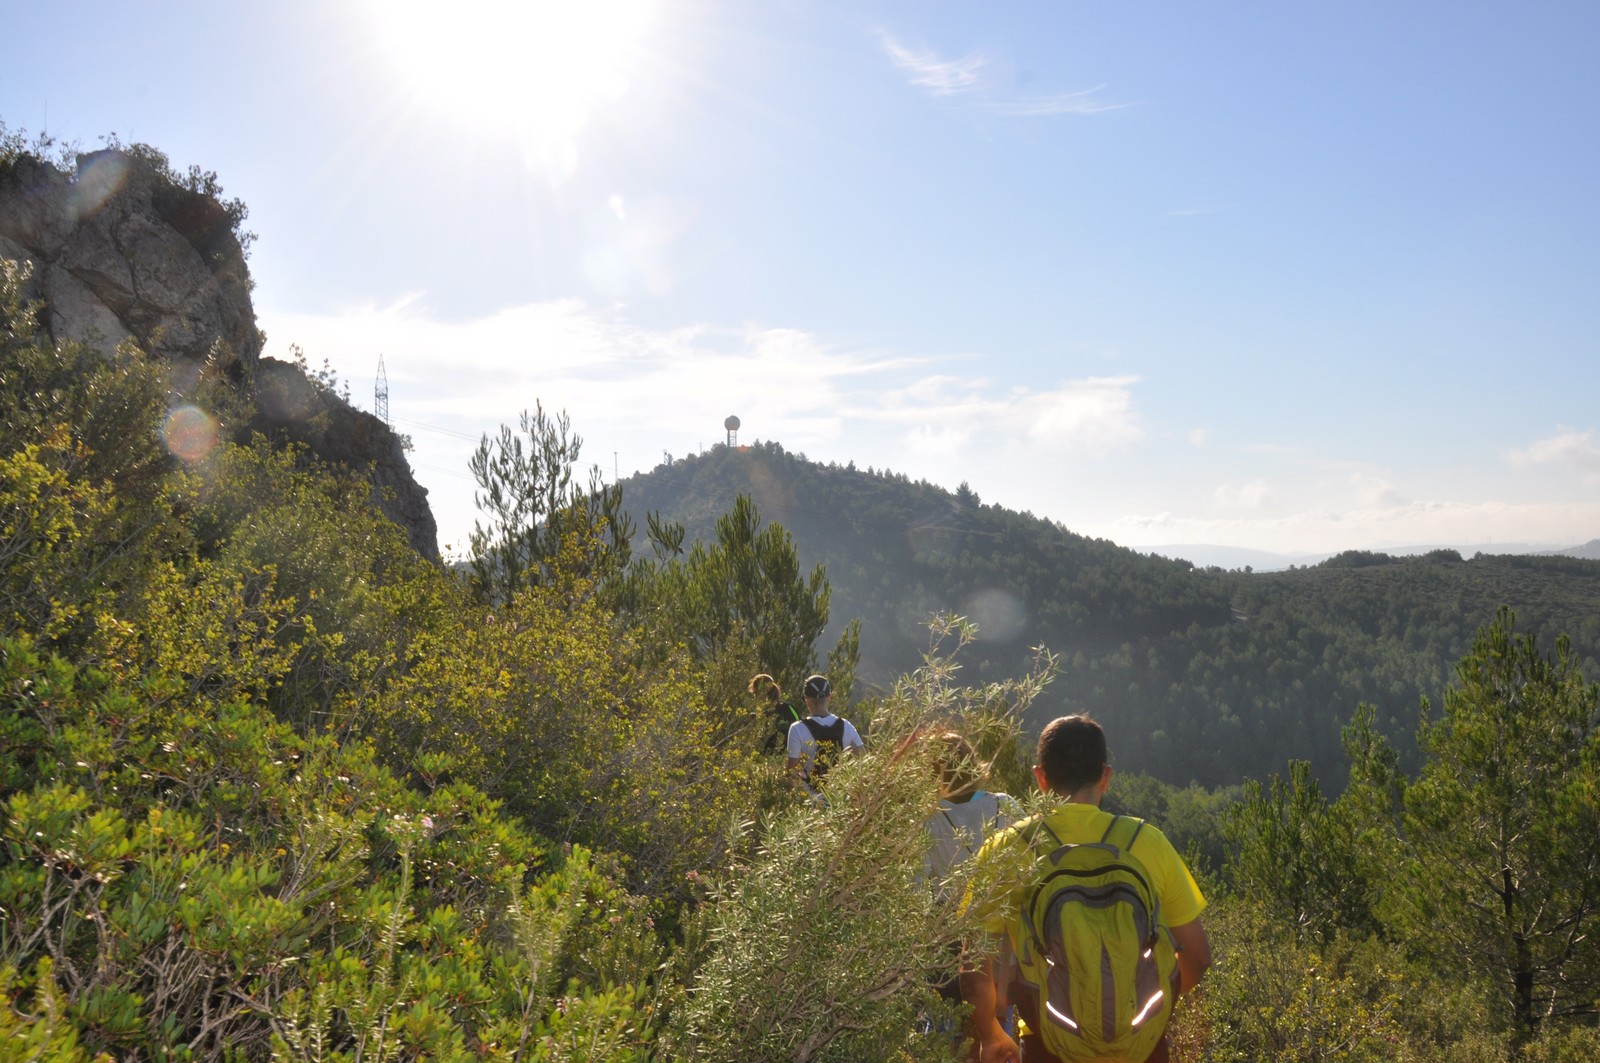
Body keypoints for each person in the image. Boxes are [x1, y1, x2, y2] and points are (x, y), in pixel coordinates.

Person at [962, 715, 1211, 1063]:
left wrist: (990, 1034)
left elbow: (974, 965)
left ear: (1040, 777)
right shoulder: (1148, 842)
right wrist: (1137, 1014)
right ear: (1105, 777)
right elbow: (1197, 957)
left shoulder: (1007, 850)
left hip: (1047, 1045)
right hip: (1143, 1050)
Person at [785, 673, 863, 799]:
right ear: (830, 697)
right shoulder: (847, 726)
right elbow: (862, 760)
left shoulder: (797, 729)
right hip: (838, 799)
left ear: (806, 699)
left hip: (808, 800)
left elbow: (791, 773)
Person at [751, 673, 803, 755]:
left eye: (755, 693)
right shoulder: (788, 707)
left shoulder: (758, 717)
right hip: (791, 756)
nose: (754, 697)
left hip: (783, 758)